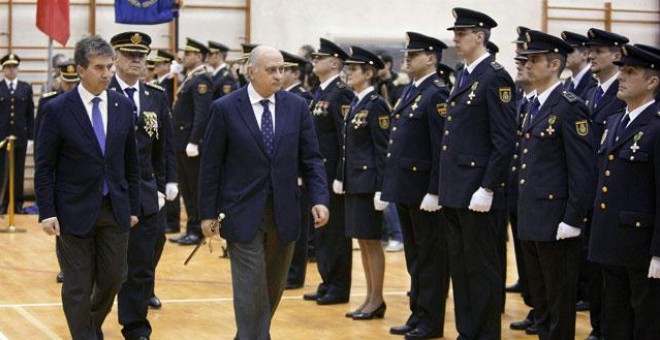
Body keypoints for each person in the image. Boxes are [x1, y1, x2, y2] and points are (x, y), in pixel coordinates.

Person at [198, 45, 329, 340]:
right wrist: (206, 214)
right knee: (249, 287)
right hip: (241, 212)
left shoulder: (296, 107)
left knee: (271, 287)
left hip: (284, 211)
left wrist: (320, 199)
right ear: (251, 71)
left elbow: (311, 159)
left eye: (282, 69)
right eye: (271, 70)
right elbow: (210, 166)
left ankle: (251, 334)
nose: (278, 75)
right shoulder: (225, 108)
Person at [34, 35, 140, 339]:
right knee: (78, 284)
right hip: (72, 211)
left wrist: (133, 205)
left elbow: (131, 162)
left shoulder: (122, 104)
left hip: (114, 208)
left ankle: (88, 327)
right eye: (99, 67)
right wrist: (47, 212)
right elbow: (45, 166)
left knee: (113, 278)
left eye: (110, 67)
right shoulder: (57, 109)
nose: (107, 73)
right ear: (80, 70)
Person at [441, 8, 517, 339]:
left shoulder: (495, 76)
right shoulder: (466, 74)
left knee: (482, 270)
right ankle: (466, 331)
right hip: (457, 189)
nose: (456, 39)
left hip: (477, 192)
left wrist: (488, 188)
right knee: (461, 267)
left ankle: (485, 334)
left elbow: (504, 140)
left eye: (461, 34)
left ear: (480, 36)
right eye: (455, 34)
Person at [517, 30, 597, 340]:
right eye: (528, 59)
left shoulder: (569, 106)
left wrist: (573, 218)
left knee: (559, 297)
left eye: (535, 59)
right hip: (532, 216)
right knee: (541, 299)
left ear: (554, 64)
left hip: (556, 220)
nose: (528, 64)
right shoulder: (534, 104)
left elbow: (582, 169)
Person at [381, 31, 450, 339]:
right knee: (415, 258)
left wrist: (435, 190)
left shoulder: (436, 93)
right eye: (407, 54)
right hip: (407, 187)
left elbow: (440, 147)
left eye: (414, 54)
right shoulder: (412, 90)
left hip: (424, 190)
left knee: (430, 259)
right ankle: (417, 313)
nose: (407, 59)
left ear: (432, 58)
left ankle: (430, 320)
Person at [589, 43, 660, 339]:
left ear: (652, 82)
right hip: (611, 240)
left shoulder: (656, 125)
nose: (622, 77)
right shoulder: (616, 120)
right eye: (622, 70)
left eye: (631, 72)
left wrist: (659, 251)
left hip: (642, 245)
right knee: (614, 319)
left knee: (646, 320)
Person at [106, 31, 169, 339]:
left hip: (144, 192)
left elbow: (163, 145)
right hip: (108, 193)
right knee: (106, 267)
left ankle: (135, 327)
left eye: (141, 55)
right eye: (129, 54)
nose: (136, 60)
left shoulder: (156, 95)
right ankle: (90, 322)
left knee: (142, 265)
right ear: (115, 57)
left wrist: (165, 184)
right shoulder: (102, 91)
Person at [302, 38, 355, 306]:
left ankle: (339, 285)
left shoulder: (341, 93)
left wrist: (340, 175)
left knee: (335, 233)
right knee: (321, 231)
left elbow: (344, 139)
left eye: (318, 57)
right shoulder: (321, 92)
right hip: (318, 175)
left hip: (332, 175)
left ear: (334, 63)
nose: (314, 61)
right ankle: (327, 280)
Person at [339, 46, 390, 321]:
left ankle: (377, 298)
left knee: (372, 242)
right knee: (363, 240)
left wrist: (382, 187)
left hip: (369, 184)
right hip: (355, 182)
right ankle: (369, 297)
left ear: (369, 73)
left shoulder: (376, 105)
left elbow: (382, 150)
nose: (348, 73)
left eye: (354, 69)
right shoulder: (357, 103)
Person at [33, 60, 79, 284]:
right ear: (59, 79)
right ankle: (65, 266)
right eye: (66, 81)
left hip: (76, 168)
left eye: (74, 81)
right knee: (60, 221)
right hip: (56, 168)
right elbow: (40, 135)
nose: (70, 85)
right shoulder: (49, 102)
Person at [507, 25, 539, 336]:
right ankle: (533, 302)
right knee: (523, 247)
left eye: (527, 62)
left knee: (539, 257)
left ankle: (540, 308)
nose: (521, 67)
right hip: (517, 186)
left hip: (537, 190)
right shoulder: (522, 99)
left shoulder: (544, 102)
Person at [170, 38, 214, 246]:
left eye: (188, 54)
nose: (184, 57)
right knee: (186, 188)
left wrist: (195, 140)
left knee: (194, 188)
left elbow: (202, 114)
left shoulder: (201, 79)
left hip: (190, 143)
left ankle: (197, 230)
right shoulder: (191, 77)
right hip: (181, 140)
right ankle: (191, 228)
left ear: (198, 56)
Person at [280, 50, 313, 290]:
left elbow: (307, 141)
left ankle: (295, 273)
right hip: (285, 173)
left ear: (295, 73)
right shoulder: (283, 97)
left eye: (283, 70)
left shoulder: (302, 98)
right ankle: (287, 271)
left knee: (298, 227)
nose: (279, 75)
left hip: (297, 174)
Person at [0, 53, 34, 214]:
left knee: (18, 173)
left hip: (20, 137)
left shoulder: (25, 88)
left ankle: (18, 204)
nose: (11, 70)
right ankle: (2, 203)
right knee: (2, 171)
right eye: (8, 67)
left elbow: (29, 114)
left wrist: (31, 137)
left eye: (14, 67)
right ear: (3, 69)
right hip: (2, 138)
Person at [585, 28, 629, 140]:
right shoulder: (591, 92)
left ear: (617, 57)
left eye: (598, 51)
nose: (591, 56)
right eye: (590, 51)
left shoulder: (625, 93)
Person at [561, 31, 597, 101]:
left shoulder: (594, 82)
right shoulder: (568, 82)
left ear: (585, 55)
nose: (565, 55)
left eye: (569, 51)